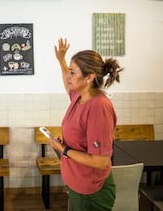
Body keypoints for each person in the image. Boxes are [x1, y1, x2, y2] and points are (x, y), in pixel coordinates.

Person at [48, 38, 123, 211]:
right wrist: (61, 60)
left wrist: (63, 149)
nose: (69, 76)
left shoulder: (98, 107)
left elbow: (101, 161)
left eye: (73, 72)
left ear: (89, 77)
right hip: (78, 184)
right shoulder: (79, 97)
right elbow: (68, 84)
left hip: (92, 190)